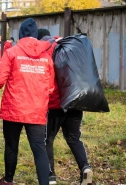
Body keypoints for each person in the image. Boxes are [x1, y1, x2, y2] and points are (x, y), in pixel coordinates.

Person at [0, 18, 55, 185]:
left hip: (14, 108)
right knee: (39, 149)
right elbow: (51, 86)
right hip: (37, 110)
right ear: (35, 35)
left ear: (21, 34)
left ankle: (8, 180)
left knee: (11, 146)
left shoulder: (12, 53)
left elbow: (0, 78)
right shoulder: (46, 57)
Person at [37, 28, 93, 185]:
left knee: (47, 140)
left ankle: (51, 177)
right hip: (76, 100)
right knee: (74, 138)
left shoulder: (44, 49)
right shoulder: (65, 44)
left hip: (55, 104)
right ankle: (85, 167)